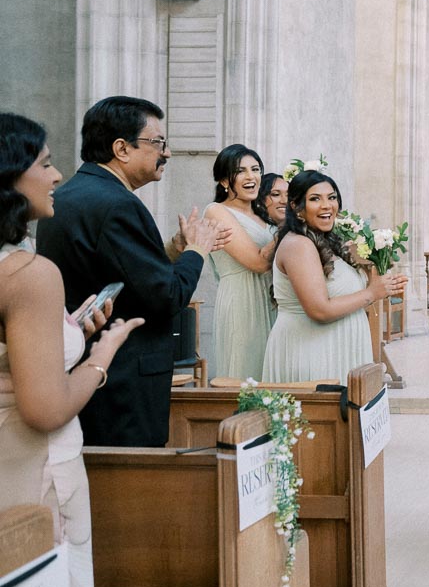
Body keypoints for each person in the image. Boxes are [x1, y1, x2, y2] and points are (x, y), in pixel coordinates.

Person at [0, 112, 145, 587]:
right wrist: (101, 355)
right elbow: (45, 408)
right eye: (44, 163)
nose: (58, 175)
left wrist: (66, 333)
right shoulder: (29, 274)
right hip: (33, 468)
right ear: (10, 179)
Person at [35, 96, 224, 446]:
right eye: (158, 143)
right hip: (121, 381)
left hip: (84, 370)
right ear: (121, 148)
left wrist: (172, 251)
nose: (165, 153)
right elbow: (167, 297)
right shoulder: (118, 205)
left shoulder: (69, 195)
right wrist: (198, 249)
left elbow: (120, 276)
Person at [261, 170, 405, 383]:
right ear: (296, 206)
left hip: (335, 349)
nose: (327, 205)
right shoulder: (298, 245)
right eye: (315, 199)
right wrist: (372, 293)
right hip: (314, 353)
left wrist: (379, 279)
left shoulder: (324, 240)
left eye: (332, 197)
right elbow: (319, 310)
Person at [205, 145, 278, 380]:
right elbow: (257, 262)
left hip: (272, 300)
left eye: (255, 169)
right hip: (242, 302)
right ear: (225, 180)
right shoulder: (216, 211)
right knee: (245, 374)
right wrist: (291, 225)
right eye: (241, 171)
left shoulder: (263, 214)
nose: (251, 176)